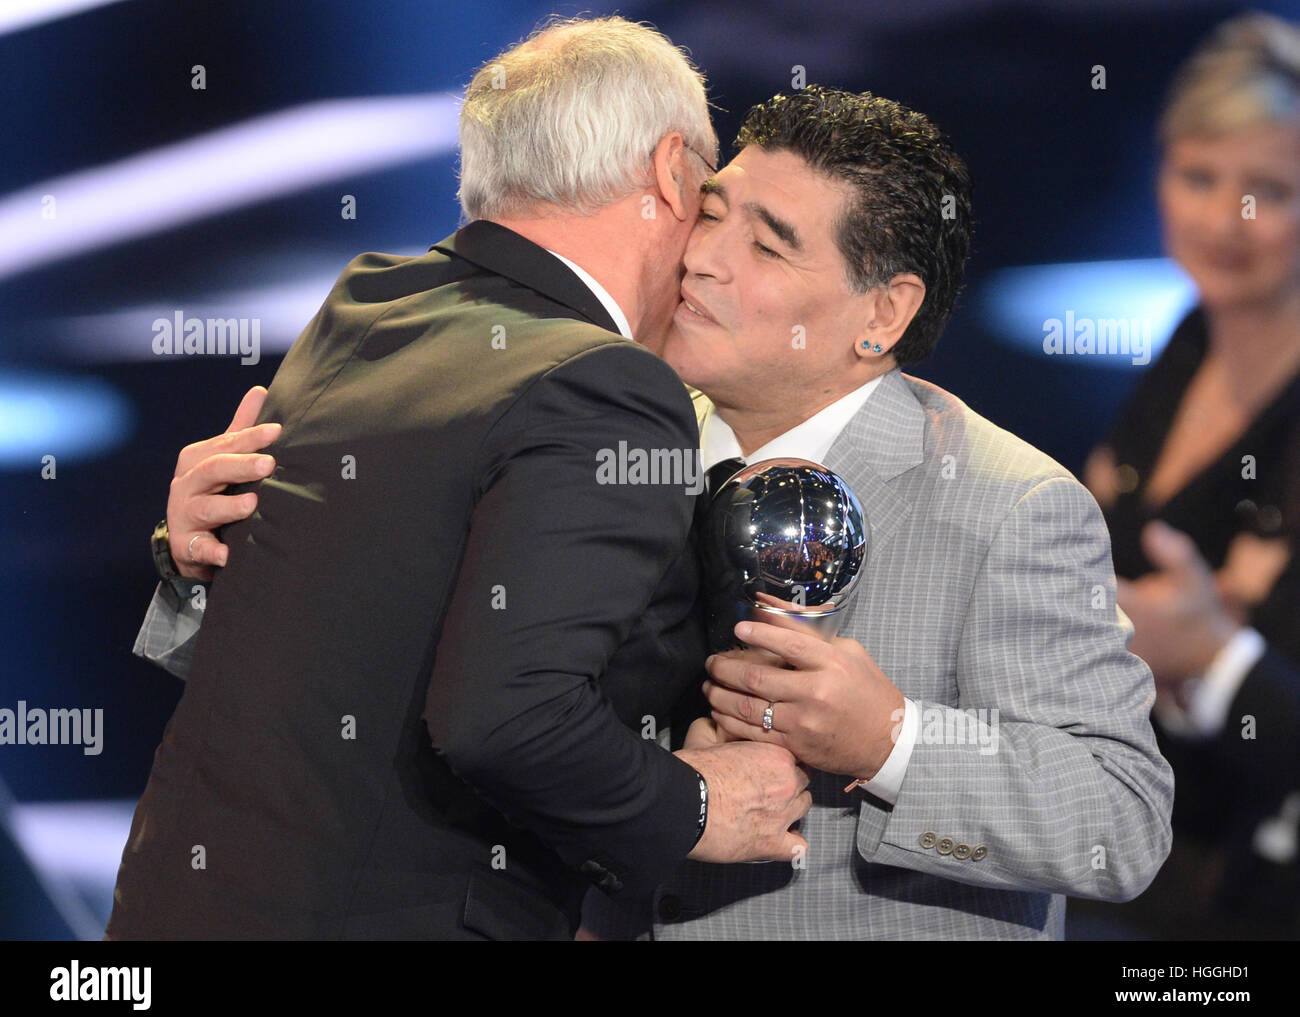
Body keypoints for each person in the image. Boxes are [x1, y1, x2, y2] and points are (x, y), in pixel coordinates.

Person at [156, 85, 1175, 940]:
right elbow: (430, 688)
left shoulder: (1013, 503)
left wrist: (892, 739)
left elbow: (1121, 821)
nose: (704, 257)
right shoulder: (591, 430)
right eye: (713, 210)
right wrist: (226, 564)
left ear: (883, 314)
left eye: (768, 245)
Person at [107, 16, 812, 941]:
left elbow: (348, 630)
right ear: (670, 171)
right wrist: (693, 807)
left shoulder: (369, 304)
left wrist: (192, 567)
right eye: (711, 201)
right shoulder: (603, 383)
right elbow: (505, 718)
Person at [1076, 11, 1300, 938]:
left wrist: (1215, 661)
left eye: (1270, 191)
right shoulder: (1189, 339)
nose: (1224, 220)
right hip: (1131, 859)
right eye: (1198, 176)